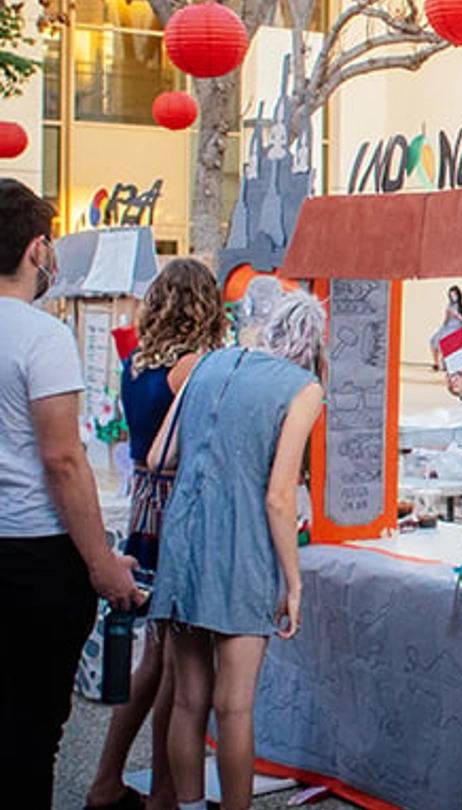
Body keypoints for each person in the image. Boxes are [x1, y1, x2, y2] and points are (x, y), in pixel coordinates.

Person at [147, 291, 326, 810]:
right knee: (235, 706)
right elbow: (278, 496)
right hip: (243, 548)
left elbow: (161, 454)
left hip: (184, 543)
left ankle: (187, 805)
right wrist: (293, 583)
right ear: (311, 345)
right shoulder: (303, 389)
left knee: (187, 698)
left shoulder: (207, 364)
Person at [0, 178, 142, 808]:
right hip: (32, 553)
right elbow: (63, 459)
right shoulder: (41, 337)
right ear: (37, 250)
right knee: (30, 731)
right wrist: (102, 564)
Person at [85, 258, 227, 810]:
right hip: (180, 512)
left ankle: (106, 783)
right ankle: (164, 794)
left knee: (154, 658)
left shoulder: (135, 362)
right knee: (177, 663)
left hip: (144, 506)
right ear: (205, 306)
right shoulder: (195, 367)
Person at [429, 284, 462, 370]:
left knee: (444, 340)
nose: (453, 297)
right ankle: (436, 363)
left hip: (457, 327)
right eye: (451, 295)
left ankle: (446, 363)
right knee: (433, 339)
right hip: (447, 326)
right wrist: (447, 315)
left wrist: (457, 315)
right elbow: (445, 321)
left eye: (454, 295)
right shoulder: (449, 305)